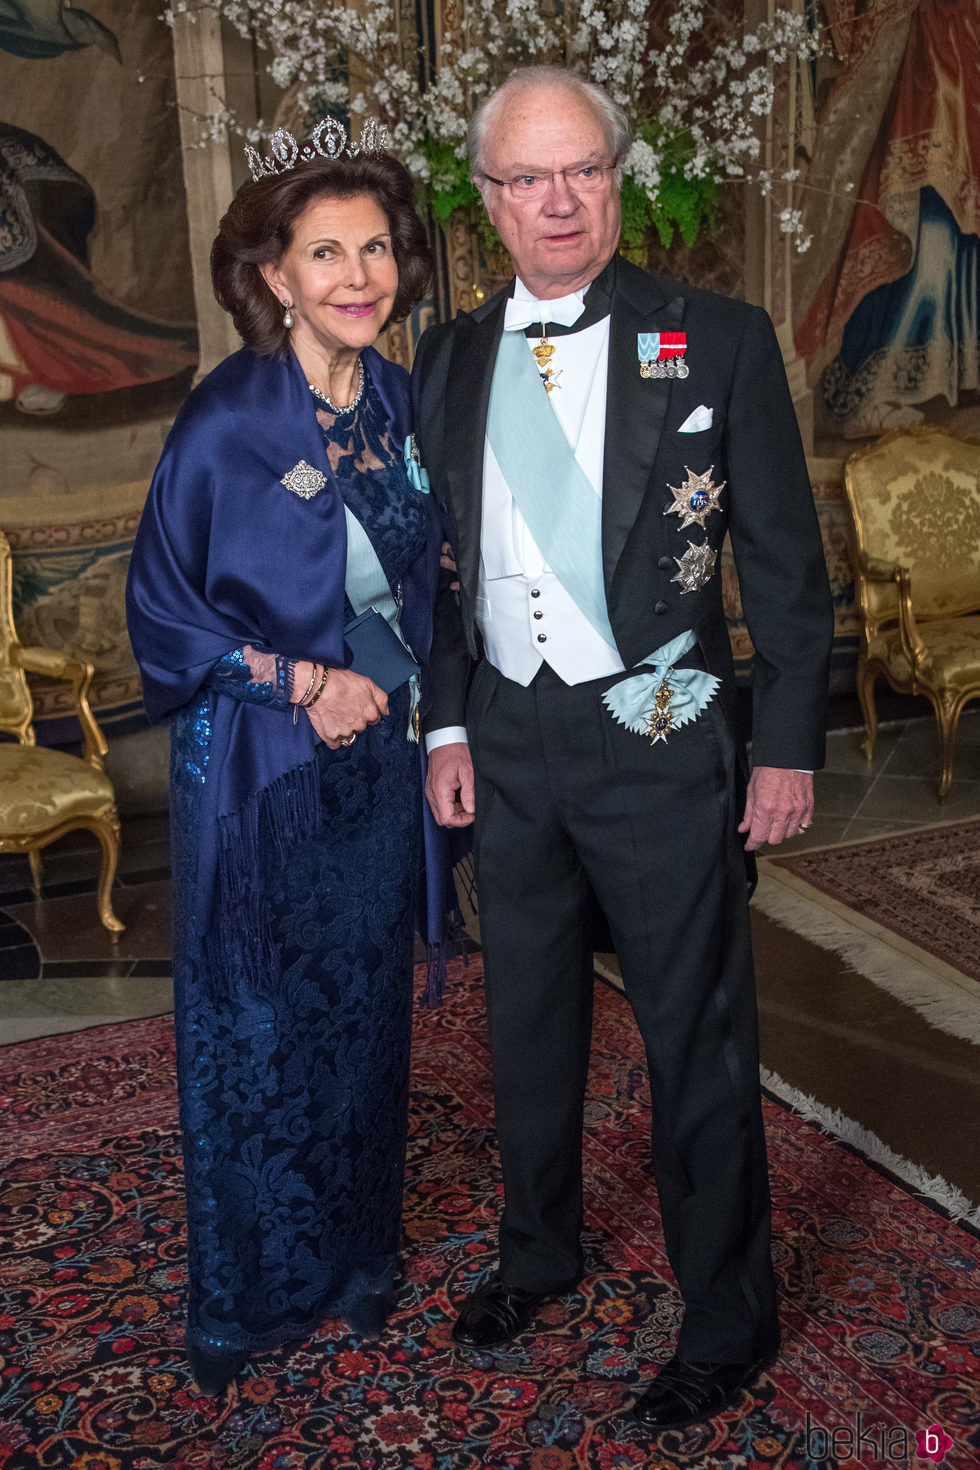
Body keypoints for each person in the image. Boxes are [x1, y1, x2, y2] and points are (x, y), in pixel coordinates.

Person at [414, 66, 834, 1432]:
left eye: (581, 169)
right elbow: (436, 572)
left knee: (693, 1035)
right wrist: (452, 717)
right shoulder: (452, 353)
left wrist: (783, 746)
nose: (556, 199)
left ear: (616, 177)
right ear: (487, 200)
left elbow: (780, 557)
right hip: (514, 739)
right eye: (527, 177)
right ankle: (537, 1252)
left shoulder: (713, 334)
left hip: (658, 724)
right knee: (526, 1019)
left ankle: (728, 1314)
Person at [126, 126, 450, 1396]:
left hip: (375, 766)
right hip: (261, 771)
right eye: (327, 252)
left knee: (363, 1018)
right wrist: (298, 682)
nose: (357, 274)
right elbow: (164, 618)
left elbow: (422, 565)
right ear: (274, 275)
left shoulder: (398, 396)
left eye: (374, 248)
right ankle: (250, 1294)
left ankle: (357, 1257)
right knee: (258, 1028)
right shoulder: (224, 421)